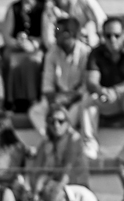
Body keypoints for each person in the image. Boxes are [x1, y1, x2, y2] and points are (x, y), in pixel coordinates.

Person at [30, 18, 93, 146]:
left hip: (77, 99)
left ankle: (65, 141)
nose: (54, 34)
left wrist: (69, 98)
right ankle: (49, 139)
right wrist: (54, 102)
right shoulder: (51, 53)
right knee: (35, 112)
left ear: (68, 34)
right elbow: (47, 84)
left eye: (57, 30)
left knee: (77, 110)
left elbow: (86, 86)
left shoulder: (85, 53)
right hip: (57, 98)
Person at [28, 103, 91, 197]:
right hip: (54, 186)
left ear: (67, 123)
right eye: (52, 121)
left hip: (75, 188)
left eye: (60, 121)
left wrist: (54, 193)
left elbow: (67, 172)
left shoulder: (74, 139)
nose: (56, 125)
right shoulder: (46, 143)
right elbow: (36, 170)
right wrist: (35, 192)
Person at [2, 0, 47, 113]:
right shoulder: (14, 8)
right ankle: (13, 101)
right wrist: (17, 44)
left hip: (36, 46)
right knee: (10, 60)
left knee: (34, 60)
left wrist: (34, 44)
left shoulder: (44, 7)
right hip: (16, 47)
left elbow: (49, 32)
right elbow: (6, 35)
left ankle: (33, 98)